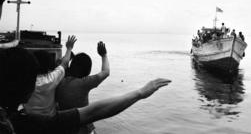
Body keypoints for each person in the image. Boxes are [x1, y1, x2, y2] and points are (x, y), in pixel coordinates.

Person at [0, 47, 171, 134]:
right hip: (75, 127)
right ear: (26, 90)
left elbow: (63, 65)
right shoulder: (30, 123)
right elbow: (93, 111)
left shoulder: (59, 82)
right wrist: (141, 92)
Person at [56, 41, 110, 134]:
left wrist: (69, 49)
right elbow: (106, 72)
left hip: (63, 126)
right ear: (87, 71)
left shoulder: (59, 79)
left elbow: (63, 64)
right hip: (83, 128)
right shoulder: (84, 83)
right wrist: (104, 55)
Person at [23, 35, 77, 116]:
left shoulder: (25, 81)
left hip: (29, 118)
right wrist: (69, 48)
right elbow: (65, 63)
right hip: (49, 119)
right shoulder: (51, 78)